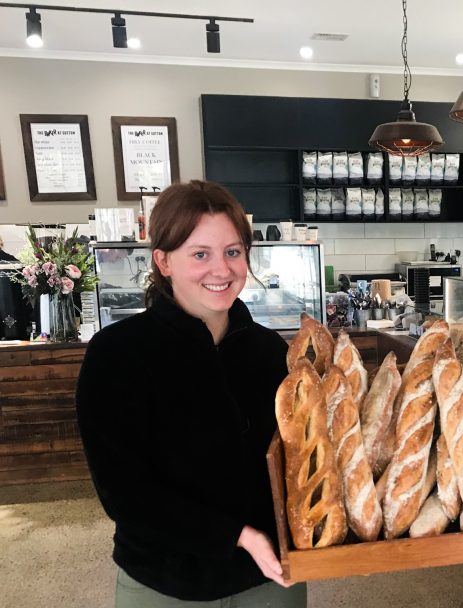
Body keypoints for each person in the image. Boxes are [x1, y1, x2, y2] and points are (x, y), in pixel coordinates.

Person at [76, 180, 305, 607]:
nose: (222, 269)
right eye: (200, 254)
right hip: (166, 582)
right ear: (163, 261)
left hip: (270, 576)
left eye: (233, 252)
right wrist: (236, 536)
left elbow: (300, 461)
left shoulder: (271, 351)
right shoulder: (118, 354)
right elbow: (124, 493)